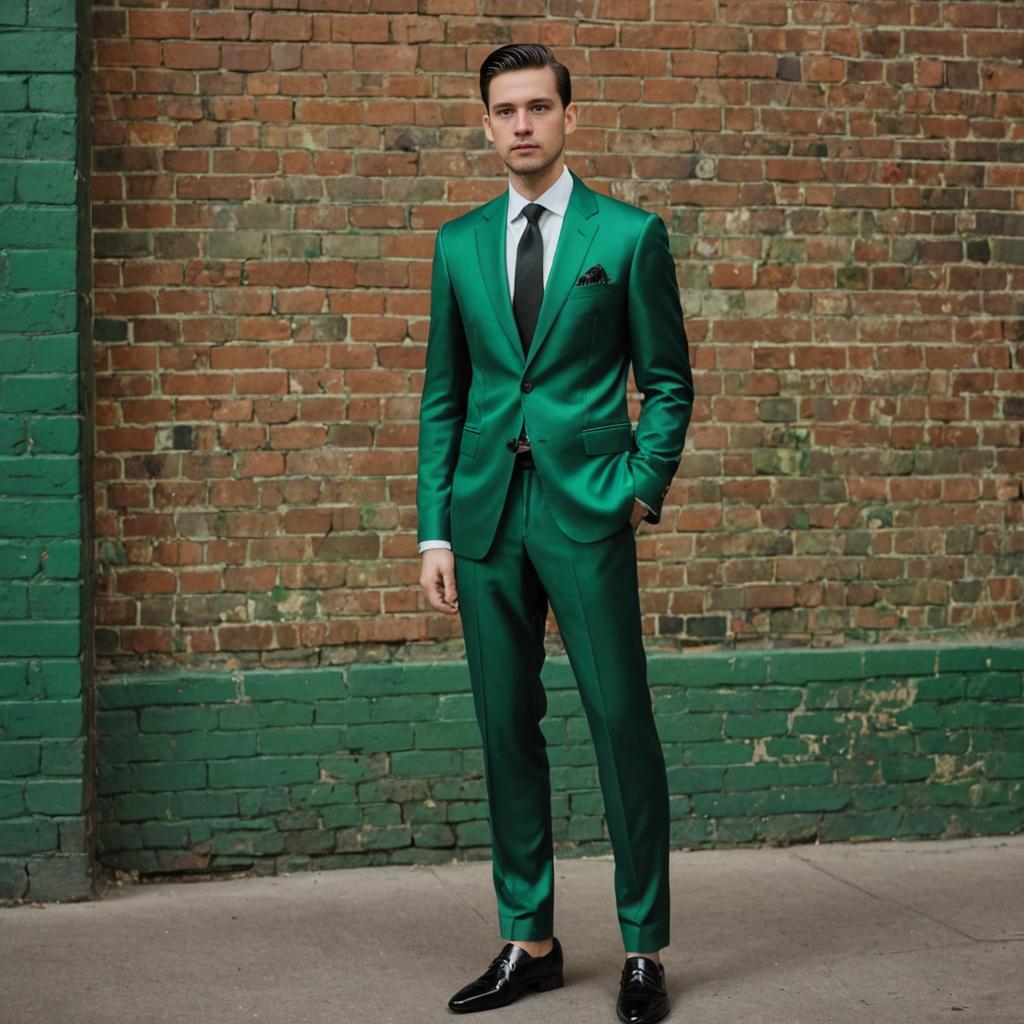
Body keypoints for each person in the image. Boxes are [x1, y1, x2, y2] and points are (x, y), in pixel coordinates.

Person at [415, 42, 694, 1024]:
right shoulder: (457, 245)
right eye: (505, 109)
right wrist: (432, 532)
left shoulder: (626, 237)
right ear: (486, 124)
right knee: (504, 729)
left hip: (585, 511)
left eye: (539, 106)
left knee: (621, 726)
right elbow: (443, 399)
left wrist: (636, 487)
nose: (522, 123)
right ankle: (528, 940)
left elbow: (667, 382)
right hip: (485, 517)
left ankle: (642, 950)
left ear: (568, 117)